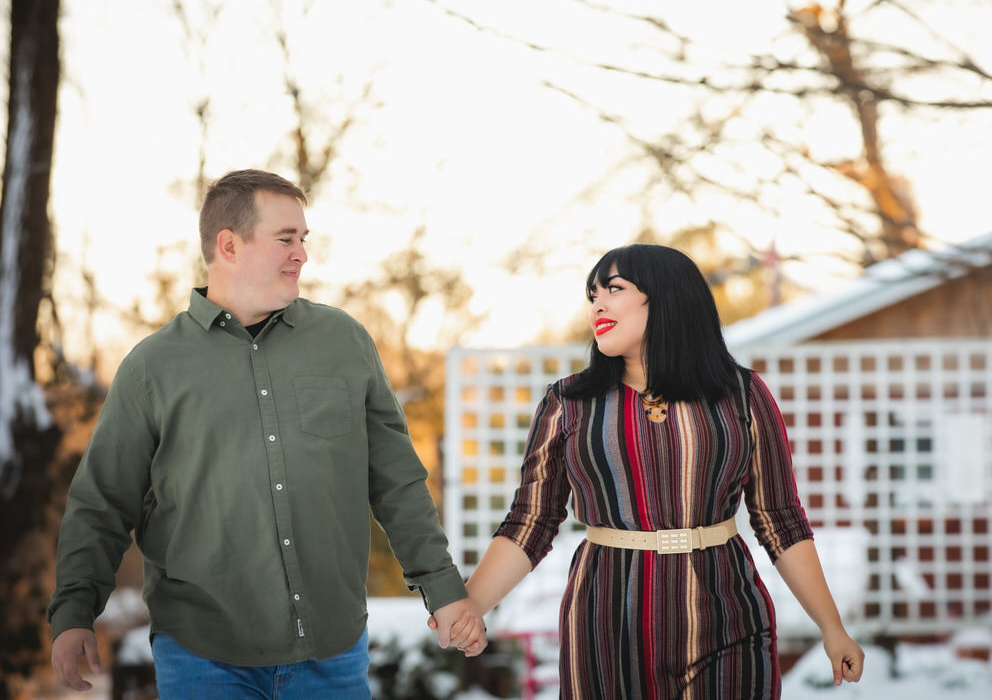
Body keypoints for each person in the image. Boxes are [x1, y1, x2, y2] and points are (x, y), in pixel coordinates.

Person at [49, 169, 485, 698]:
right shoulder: (152, 368)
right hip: (203, 657)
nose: (301, 253)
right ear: (228, 245)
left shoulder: (343, 342)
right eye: (286, 239)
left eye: (304, 239)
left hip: (332, 654)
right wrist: (74, 611)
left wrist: (442, 587)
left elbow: (396, 481)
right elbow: (102, 503)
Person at [437, 244, 863, 698]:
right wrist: (472, 607)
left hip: (728, 617)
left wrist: (831, 627)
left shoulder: (742, 394)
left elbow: (780, 518)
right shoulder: (568, 403)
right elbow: (532, 520)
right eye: (592, 295)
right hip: (604, 626)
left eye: (614, 289)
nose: (597, 304)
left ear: (665, 297)